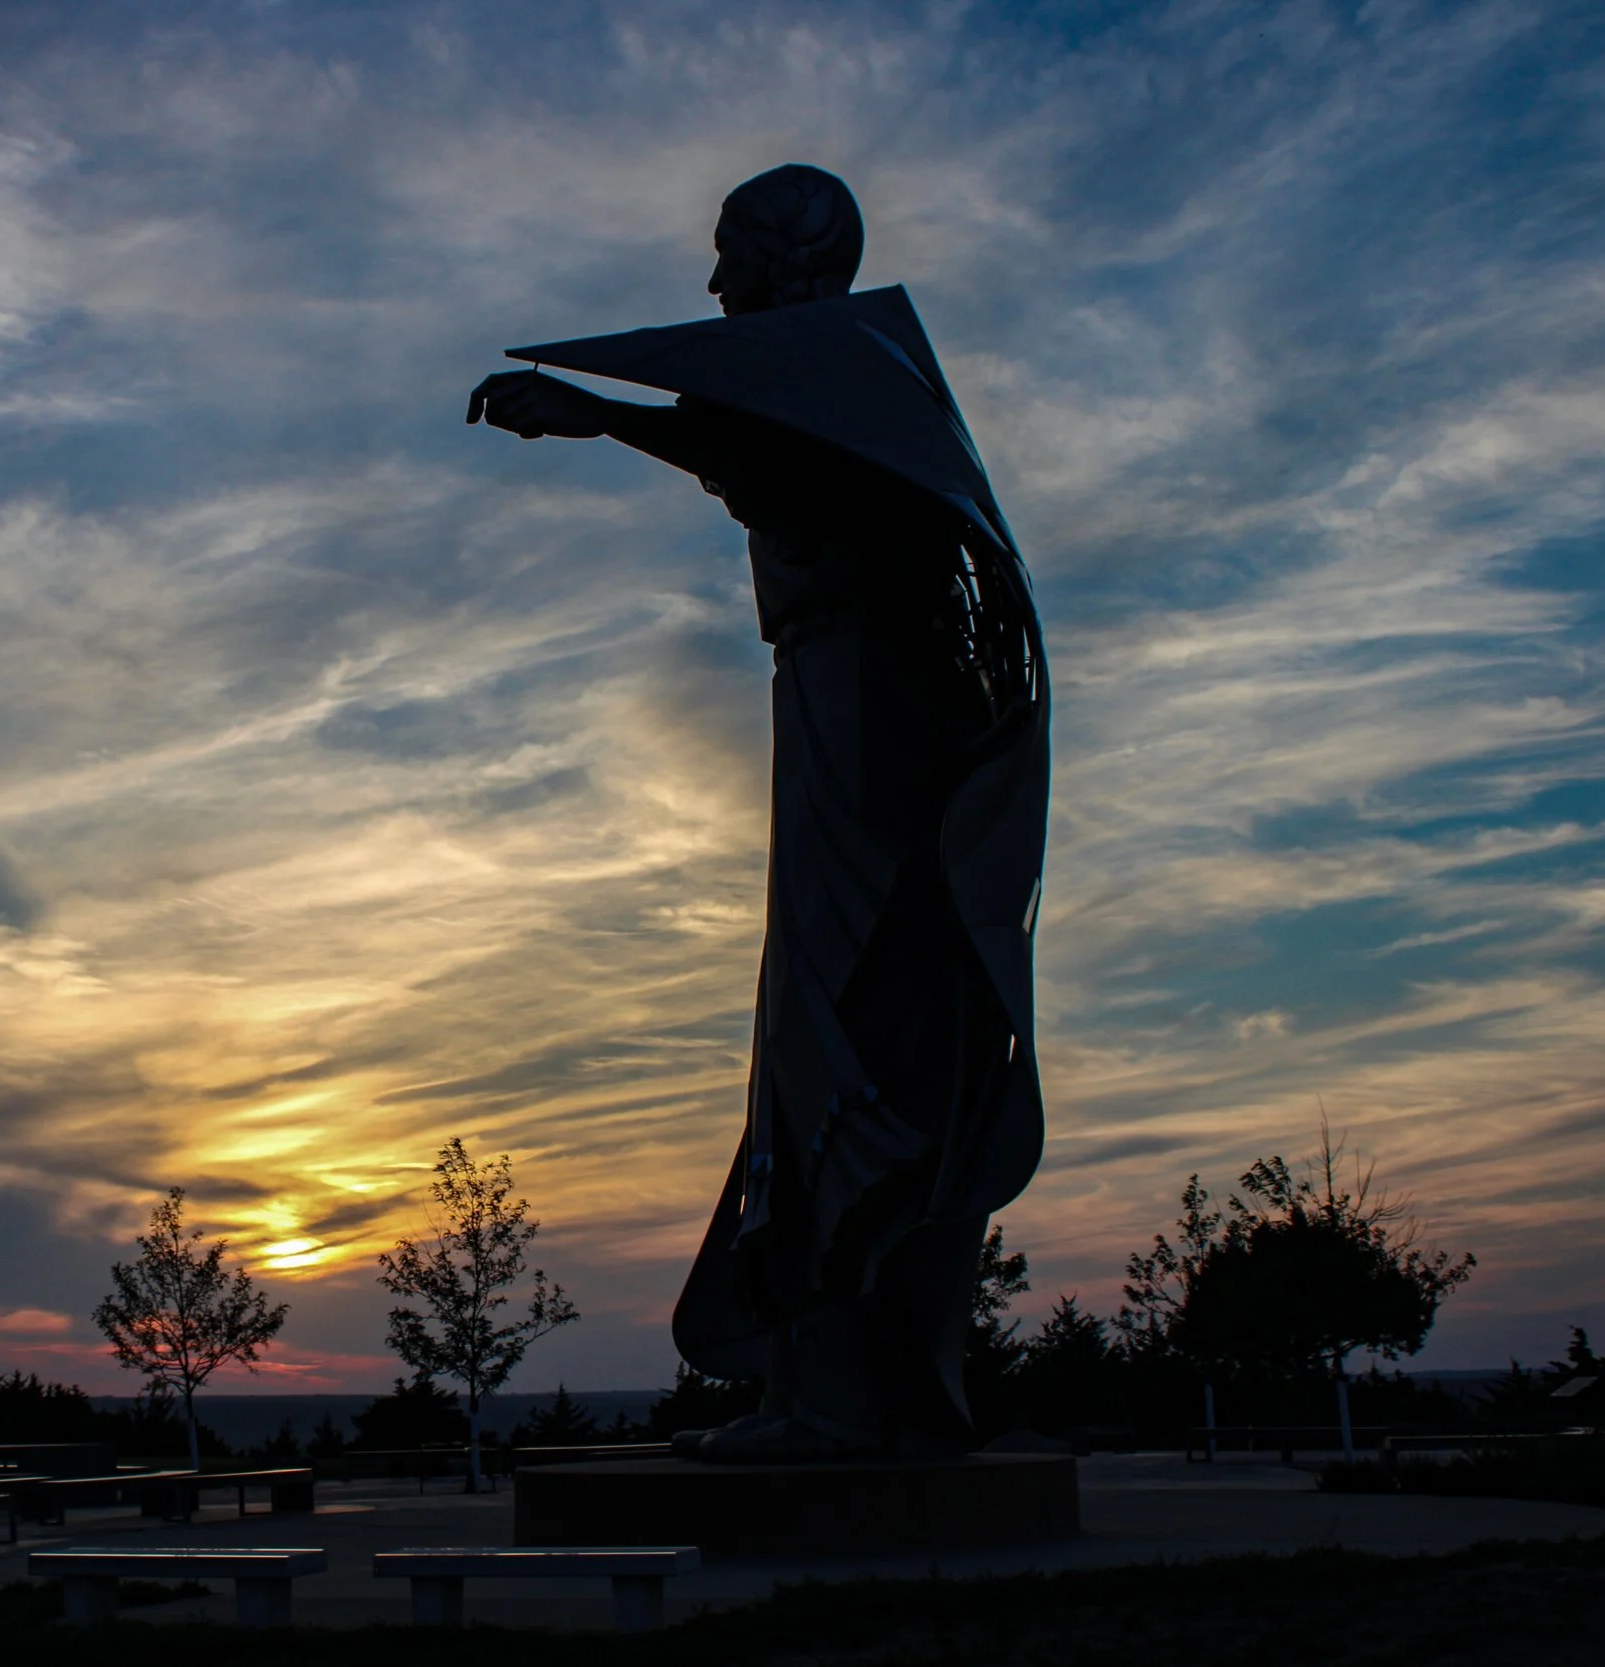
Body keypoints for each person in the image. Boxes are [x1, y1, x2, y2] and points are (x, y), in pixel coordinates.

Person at [467, 164, 1049, 1461]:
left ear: (792, 268)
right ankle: (812, 1382)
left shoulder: (850, 381)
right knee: (803, 1027)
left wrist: (601, 418)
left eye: (732, 255)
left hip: (868, 720)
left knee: (842, 1020)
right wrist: (609, 417)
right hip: (828, 704)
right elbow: (762, 455)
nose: (715, 282)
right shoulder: (839, 394)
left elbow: (773, 461)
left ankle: (846, 1399)